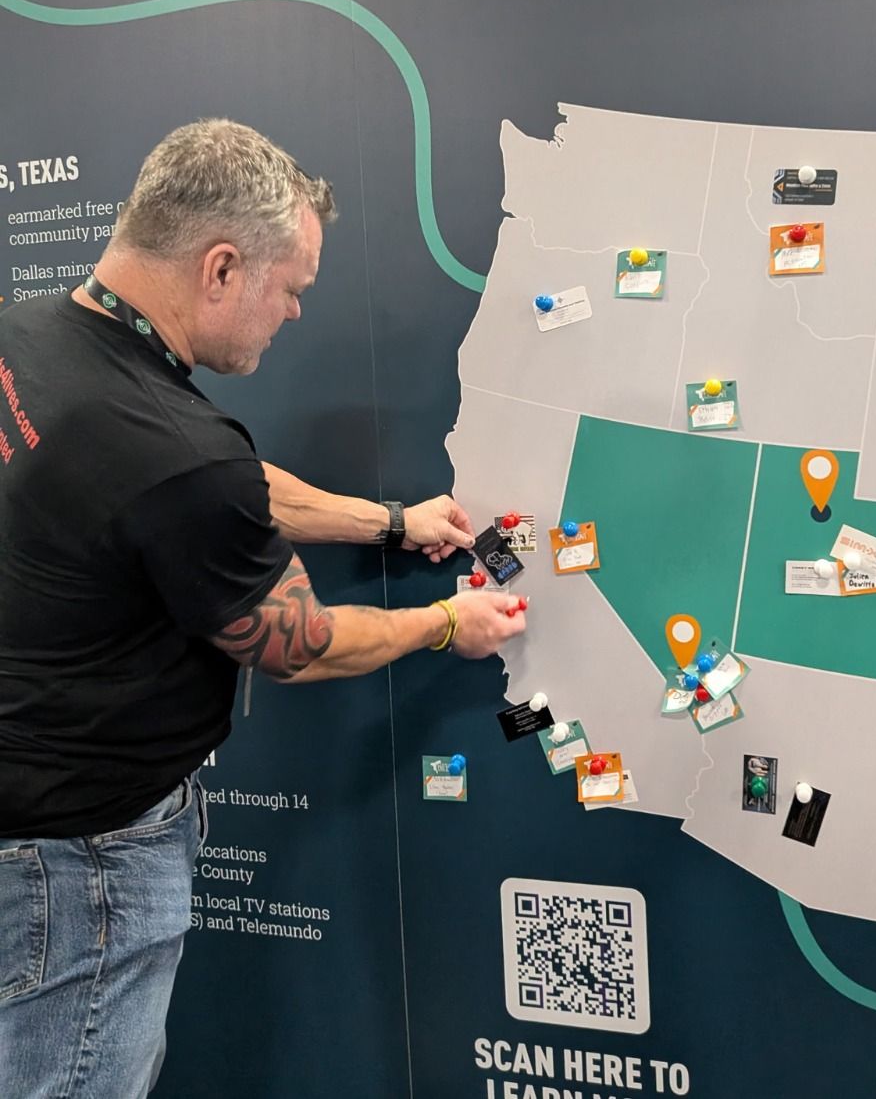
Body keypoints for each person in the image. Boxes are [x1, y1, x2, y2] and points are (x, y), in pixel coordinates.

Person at [0, 119, 525, 1097]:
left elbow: (219, 486)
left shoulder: (28, 334)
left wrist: (389, 521)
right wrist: (447, 624)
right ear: (222, 267)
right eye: (291, 289)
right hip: (84, 872)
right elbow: (300, 641)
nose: (291, 314)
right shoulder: (172, 444)